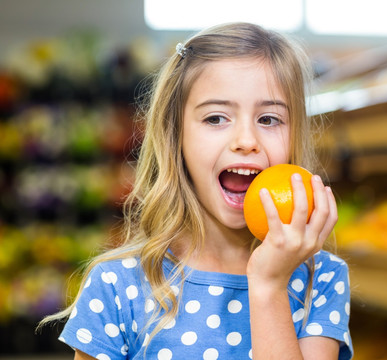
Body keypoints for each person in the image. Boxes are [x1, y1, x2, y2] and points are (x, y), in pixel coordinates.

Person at [39, 22, 353, 360]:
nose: (246, 141)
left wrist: (269, 285)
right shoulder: (117, 283)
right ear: (176, 138)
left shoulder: (320, 278)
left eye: (269, 119)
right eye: (216, 118)